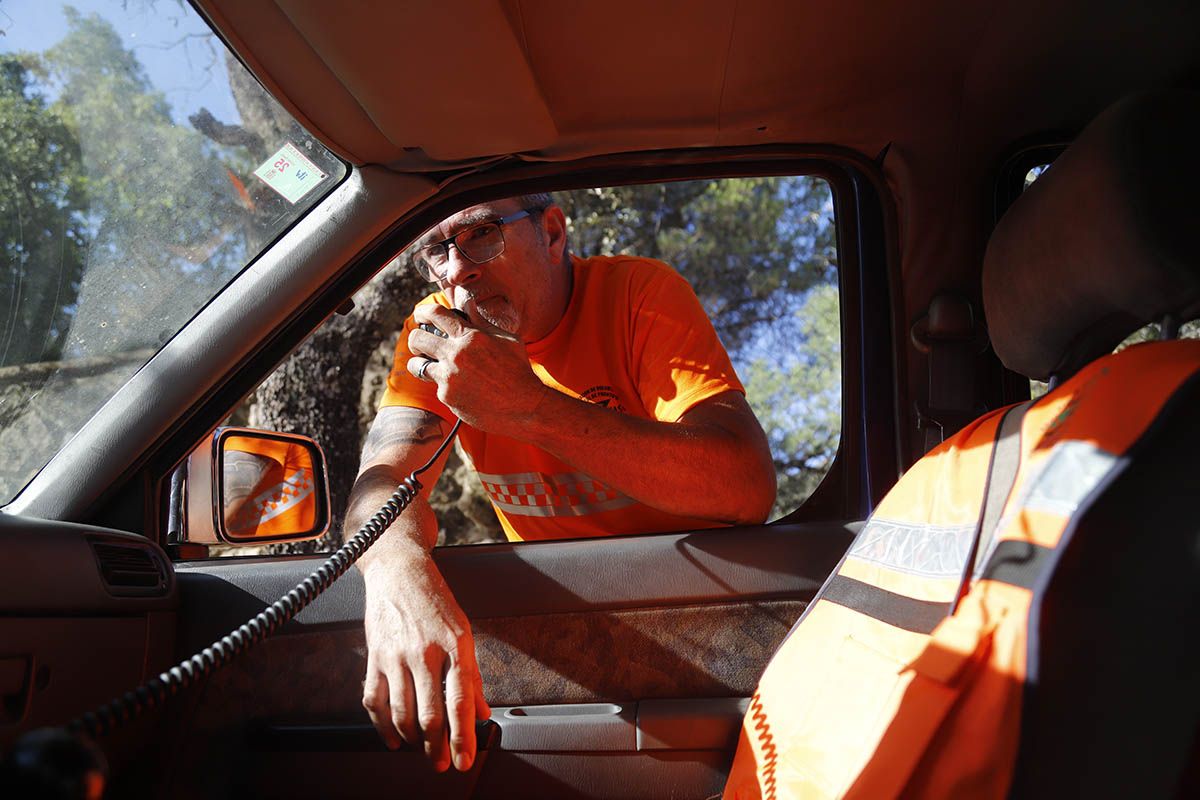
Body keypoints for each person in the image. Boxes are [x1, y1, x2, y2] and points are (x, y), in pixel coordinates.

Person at [345, 192, 777, 774]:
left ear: (551, 233)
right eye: (435, 251)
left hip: (714, 628)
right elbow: (384, 478)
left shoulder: (637, 294)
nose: (456, 269)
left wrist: (529, 409)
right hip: (568, 638)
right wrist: (395, 572)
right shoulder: (437, 337)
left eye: (480, 234)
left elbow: (745, 484)